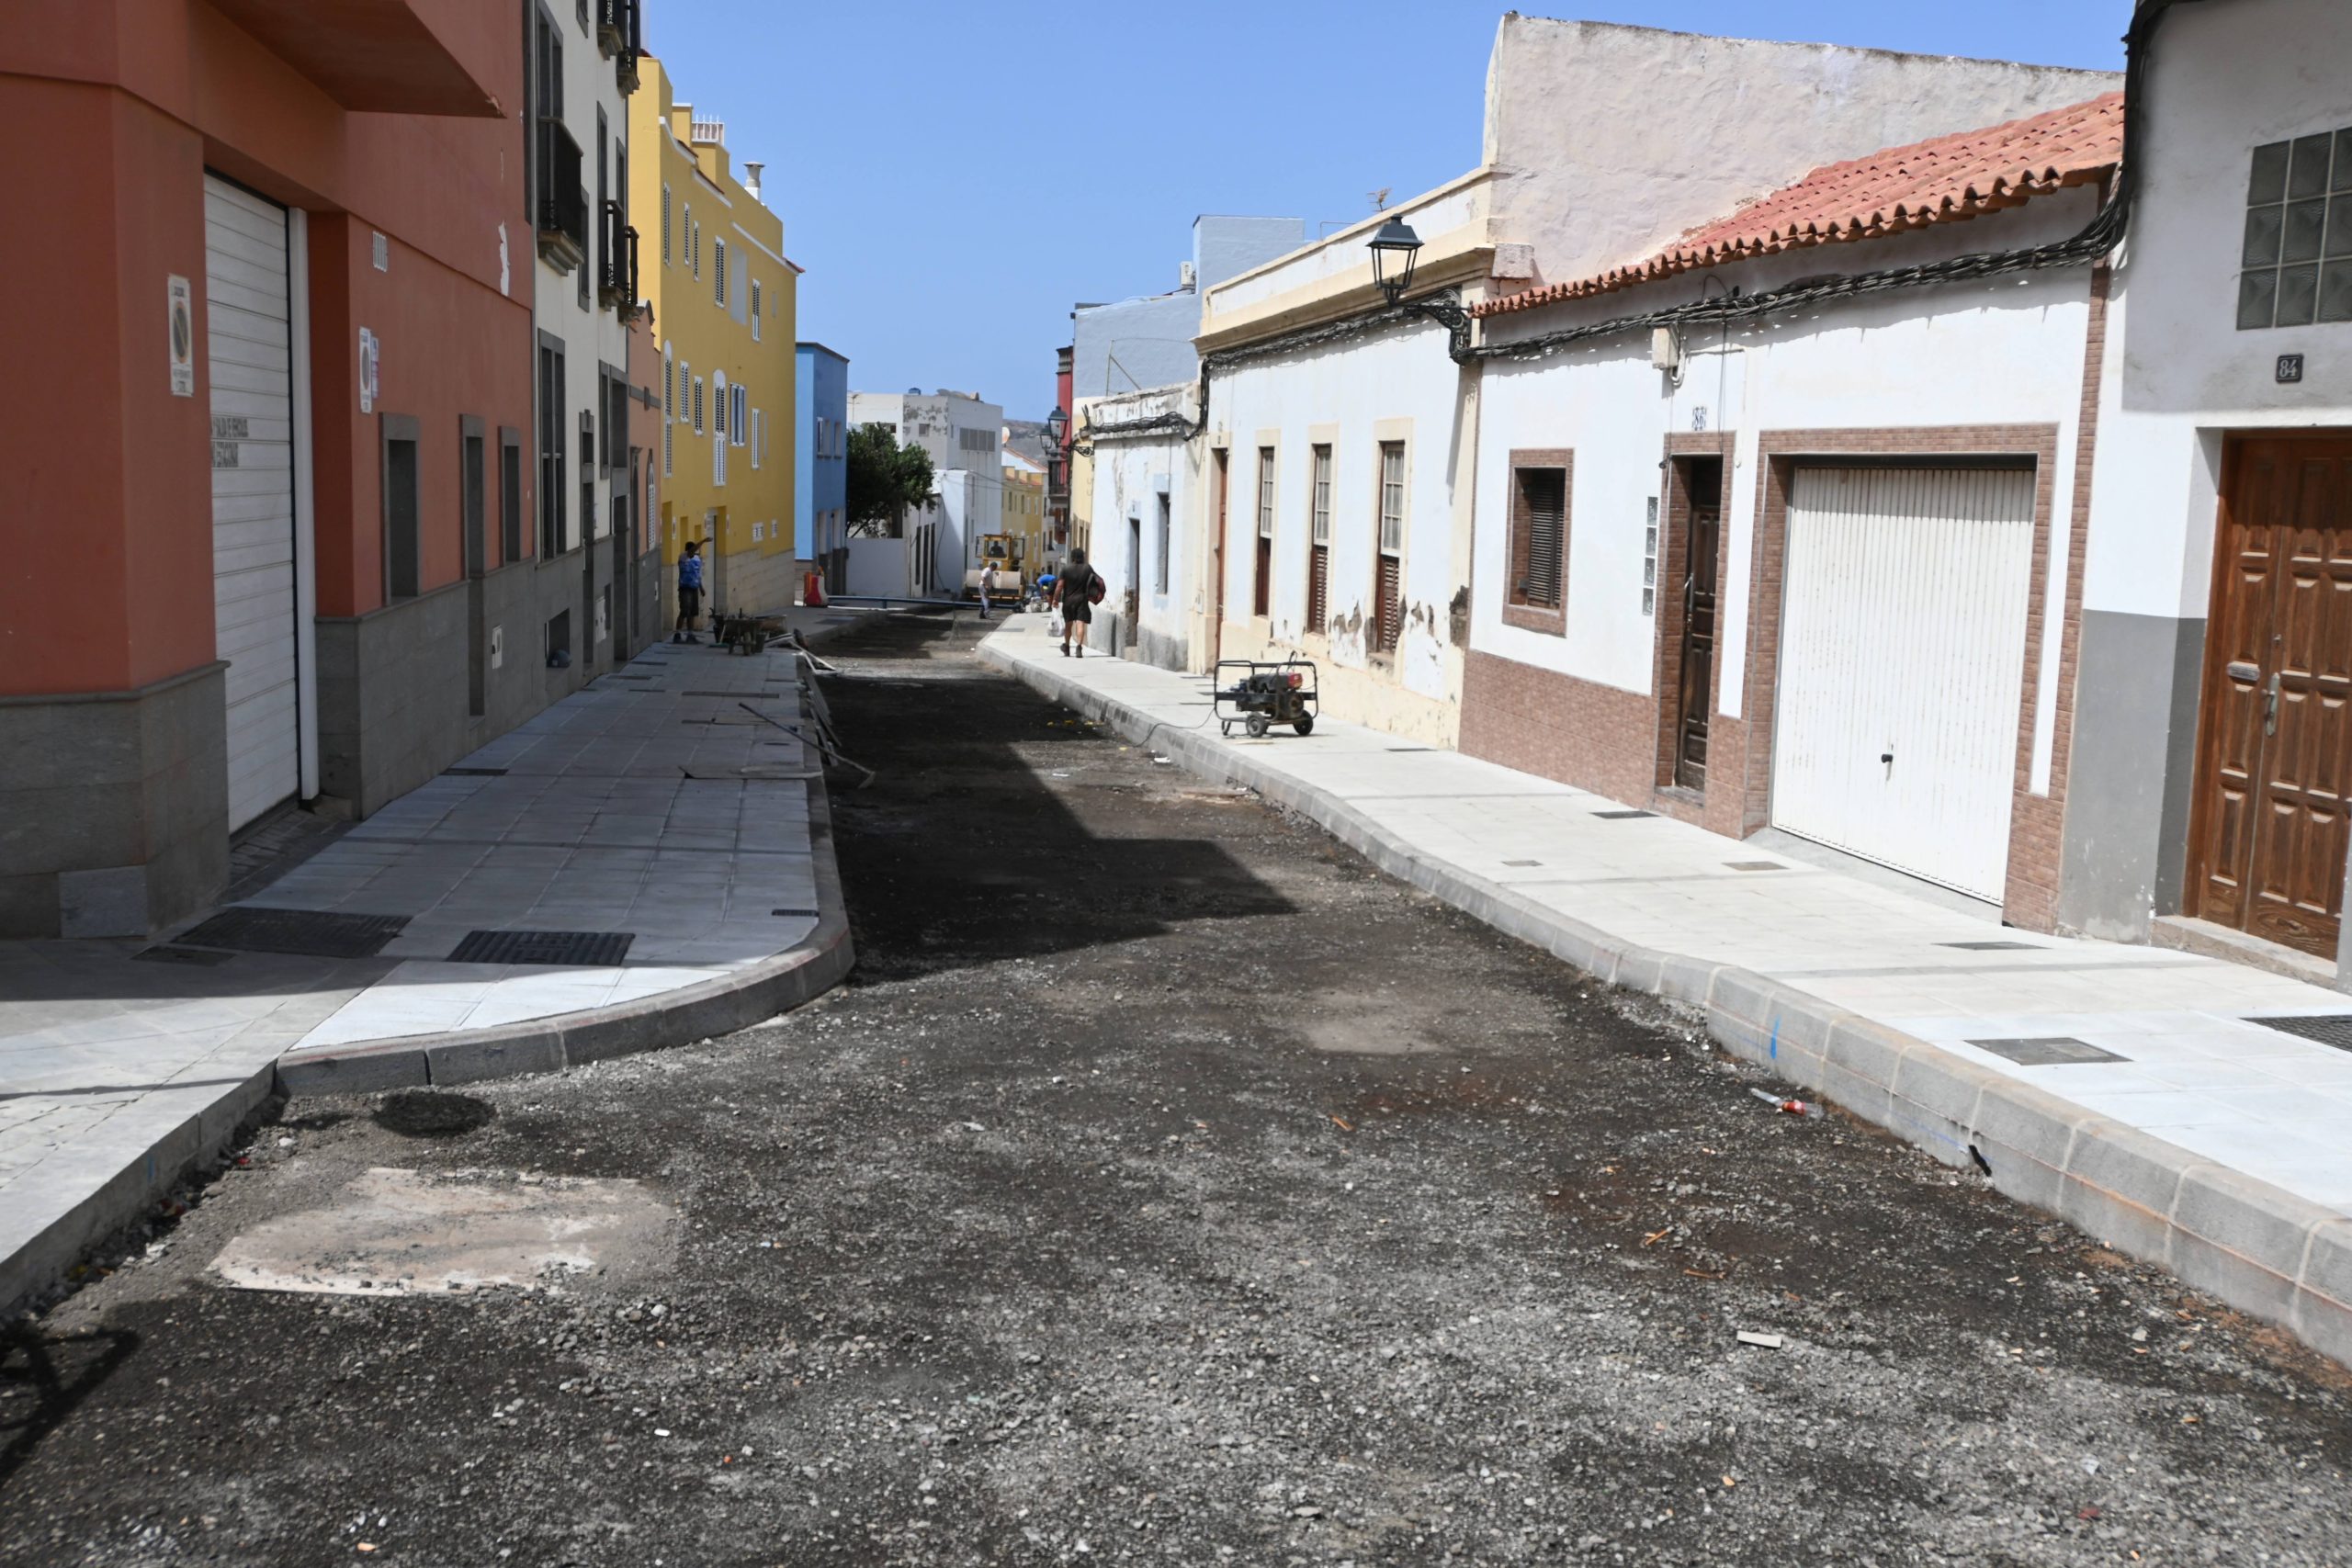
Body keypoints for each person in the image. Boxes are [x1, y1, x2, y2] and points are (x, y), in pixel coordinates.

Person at [1053, 547, 1095, 659]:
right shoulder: (1087, 568)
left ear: (1072, 557)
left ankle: (1067, 647)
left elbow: (1060, 586)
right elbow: (1094, 582)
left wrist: (1055, 599)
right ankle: (1079, 647)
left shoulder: (1066, 569)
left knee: (1068, 625)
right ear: (1082, 557)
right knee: (1080, 624)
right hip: (1082, 600)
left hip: (1068, 601)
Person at [674, 539, 705, 644]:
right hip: (685, 588)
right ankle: (677, 634)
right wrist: (704, 541)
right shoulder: (683, 557)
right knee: (684, 611)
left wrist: (701, 588)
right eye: (693, 550)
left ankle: (690, 635)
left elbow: (698, 574)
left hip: (694, 588)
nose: (694, 552)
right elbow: (692, 551)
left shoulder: (697, 559)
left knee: (692, 612)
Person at [978, 558, 998, 622]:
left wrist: (992, 588)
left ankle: (981, 614)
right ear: (992, 566)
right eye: (995, 568)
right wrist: (986, 585)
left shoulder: (990, 571)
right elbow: (982, 578)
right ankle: (986, 612)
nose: (995, 569)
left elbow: (990, 581)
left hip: (985, 587)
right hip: (983, 587)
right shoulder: (987, 570)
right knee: (986, 600)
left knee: (983, 601)